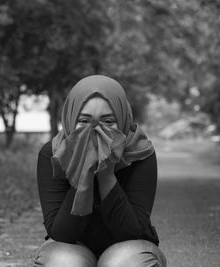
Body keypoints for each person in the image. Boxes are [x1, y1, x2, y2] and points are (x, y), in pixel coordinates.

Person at [34, 75, 166, 267]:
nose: (95, 130)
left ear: (121, 119)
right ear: (70, 119)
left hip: (129, 247)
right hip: (71, 247)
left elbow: (132, 232)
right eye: (84, 121)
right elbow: (61, 233)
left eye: (108, 122)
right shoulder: (53, 154)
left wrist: (106, 174)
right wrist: (82, 173)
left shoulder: (139, 152)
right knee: (64, 263)